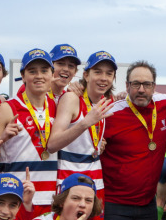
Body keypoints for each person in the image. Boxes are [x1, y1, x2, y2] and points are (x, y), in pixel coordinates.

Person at [99, 60, 166, 220]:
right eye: (135, 84)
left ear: (154, 86)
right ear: (126, 85)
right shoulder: (110, 113)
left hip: (147, 207)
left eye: (146, 84)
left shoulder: (165, 104)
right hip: (115, 206)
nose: (141, 89)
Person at [0, 48, 58, 215]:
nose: (39, 76)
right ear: (23, 75)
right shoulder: (8, 108)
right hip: (15, 196)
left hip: (52, 197)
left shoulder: (58, 106)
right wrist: (3, 137)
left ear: (52, 74)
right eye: (32, 71)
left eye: (44, 70)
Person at [48, 50, 117, 198]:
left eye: (109, 74)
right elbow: (52, 144)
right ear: (86, 75)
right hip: (71, 181)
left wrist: (98, 144)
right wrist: (85, 123)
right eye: (98, 72)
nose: (103, 78)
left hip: (96, 181)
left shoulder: (103, 103)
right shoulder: (72, 98)